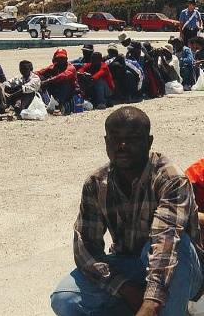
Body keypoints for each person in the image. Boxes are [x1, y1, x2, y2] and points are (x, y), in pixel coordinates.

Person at [51, 106, 204, 316]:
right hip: (127, 264)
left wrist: (151, 303)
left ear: (149, 142)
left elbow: (165, 244)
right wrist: (125, 288)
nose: (122, 146)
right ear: (106, 142)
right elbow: (85, 247)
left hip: (178, 269)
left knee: (175, 247)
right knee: (65, 299)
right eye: (115, 138)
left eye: (132, 138)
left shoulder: (170, 179)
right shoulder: (96, 183)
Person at [36, 48, 79, 114]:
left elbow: (63, 76)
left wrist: (48, 81)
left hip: (70, 91)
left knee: (64, 82)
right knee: (41, 78)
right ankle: (45, 102)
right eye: (59, 58)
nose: (61, 60)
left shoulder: (70, 68)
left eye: (62, 58)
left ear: (66, 59)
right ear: (55, 59)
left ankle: (59, 105)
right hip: (56, 89)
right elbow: (41, 72)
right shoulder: (53, 67)